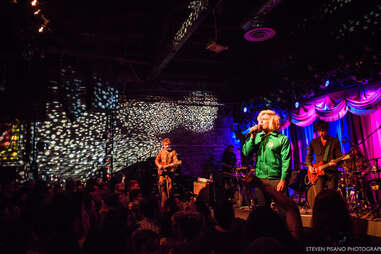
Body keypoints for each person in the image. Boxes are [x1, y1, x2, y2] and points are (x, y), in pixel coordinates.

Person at [242, 109, 291, 212]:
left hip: (276, 179)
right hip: (261, 180)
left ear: (272, 121)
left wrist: (283, 180)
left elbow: (286, 161)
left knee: (282, 210)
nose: (261, 122)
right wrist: (252, 137)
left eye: (264, 119)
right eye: (260, 120)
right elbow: (246, 152)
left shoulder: (282, 139)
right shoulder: (257, 137)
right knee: (263, 211)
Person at [306, 120, 342, 208]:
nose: (322, 133)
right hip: (319, 173)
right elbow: (309, 156)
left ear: (327, 130)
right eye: (320, 131)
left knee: (331, 195)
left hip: (332, 172)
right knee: (319, 195)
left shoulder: (334, 141)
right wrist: (310, 166)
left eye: (324, 131)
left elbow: (340, 157)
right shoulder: (314, 142)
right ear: (318, 131)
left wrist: (335, 163)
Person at [155, 138, 181, 208]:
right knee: (161, 187)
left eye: (168, 145)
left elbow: (176, 161)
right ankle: (163, 203)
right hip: (162, 173)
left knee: (169, 188)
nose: (167, 146)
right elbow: (156, 160)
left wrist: (173, 164)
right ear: (163, 145)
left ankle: (169, 204)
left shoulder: (173, 152)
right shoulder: (161, 152)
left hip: (169, 173)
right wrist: (159, 165)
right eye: (166, 145)